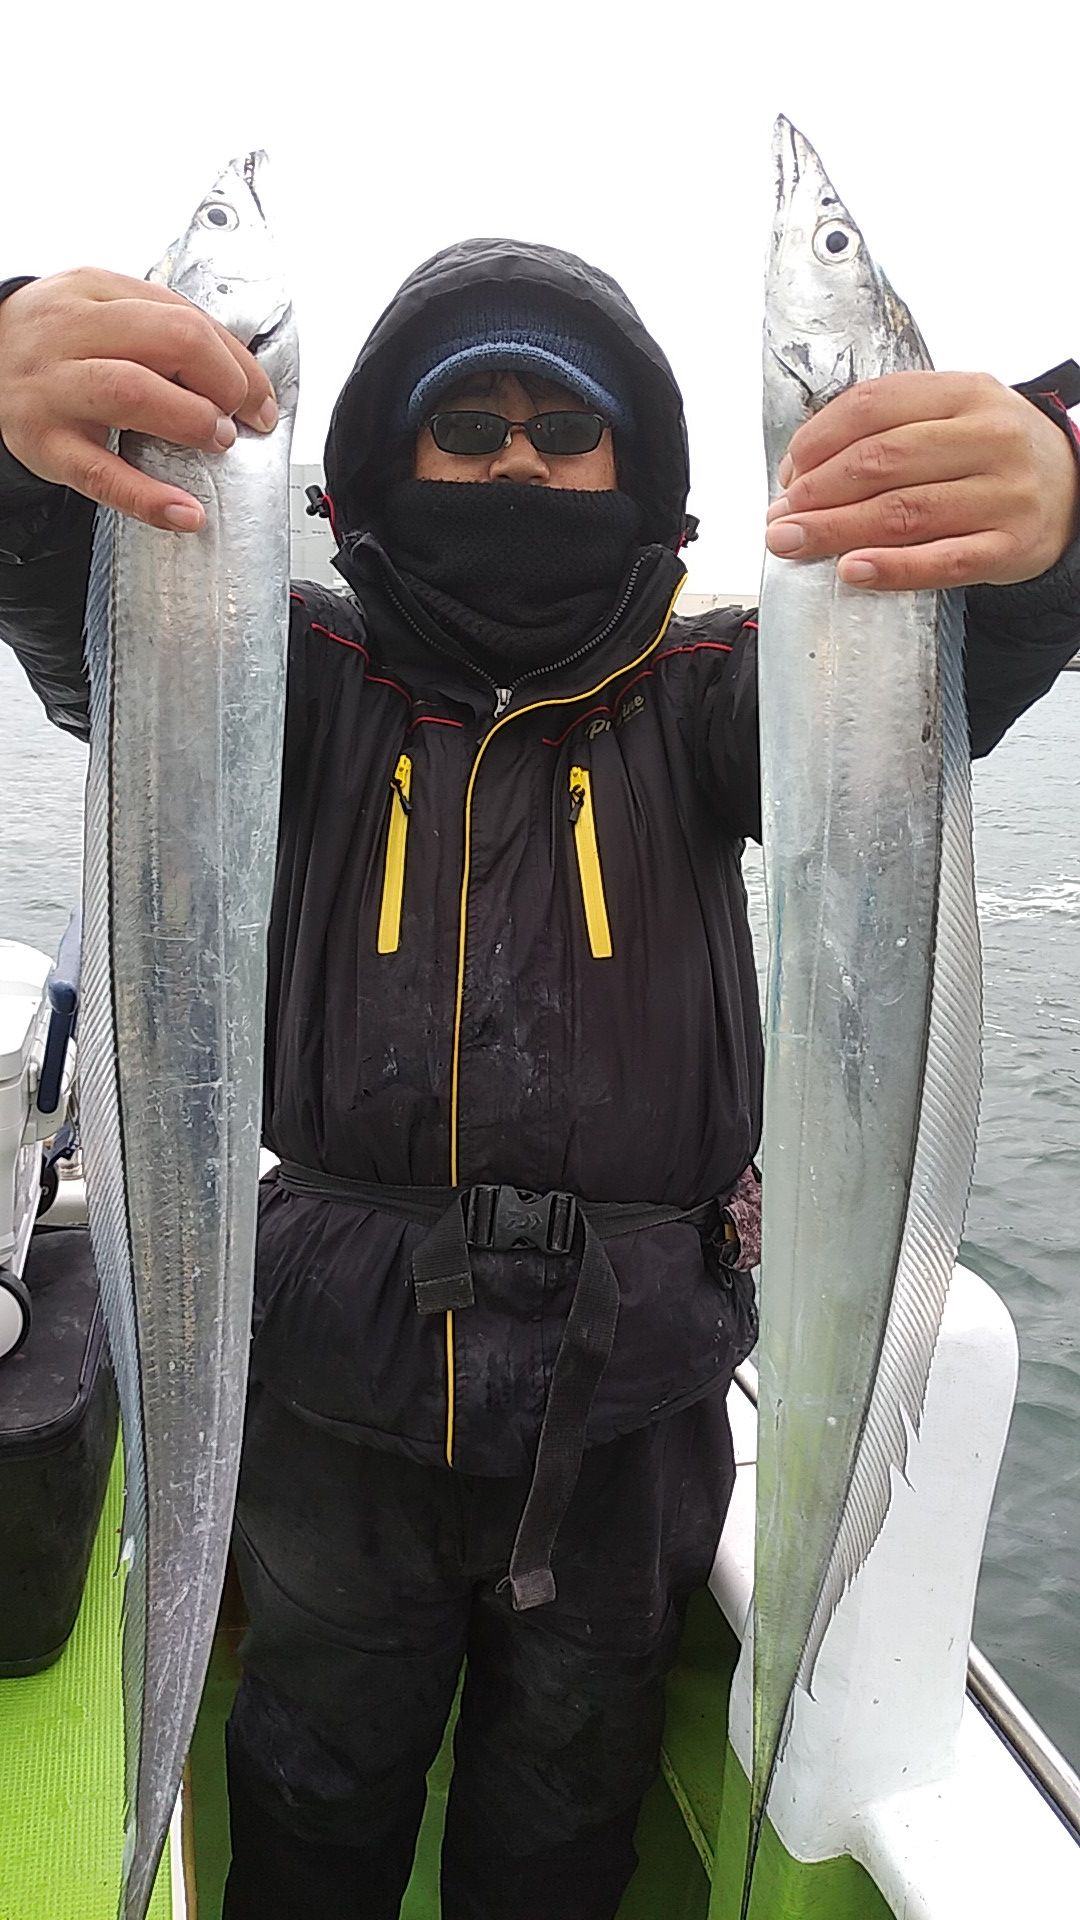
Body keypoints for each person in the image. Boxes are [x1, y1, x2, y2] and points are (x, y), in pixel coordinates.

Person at [1, 241, 1078, 1920]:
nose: (518, 460)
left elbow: (928, 688)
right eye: (470, 426)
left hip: (629, 1399)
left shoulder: (718, 693)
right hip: (339, 1387)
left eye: (564, 430)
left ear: (633, 467)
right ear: (386, 462)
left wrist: (1053, 488)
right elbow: (95, 621)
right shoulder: (285, 669)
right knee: (313, 1779)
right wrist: (19, 420)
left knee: (569, 1807)